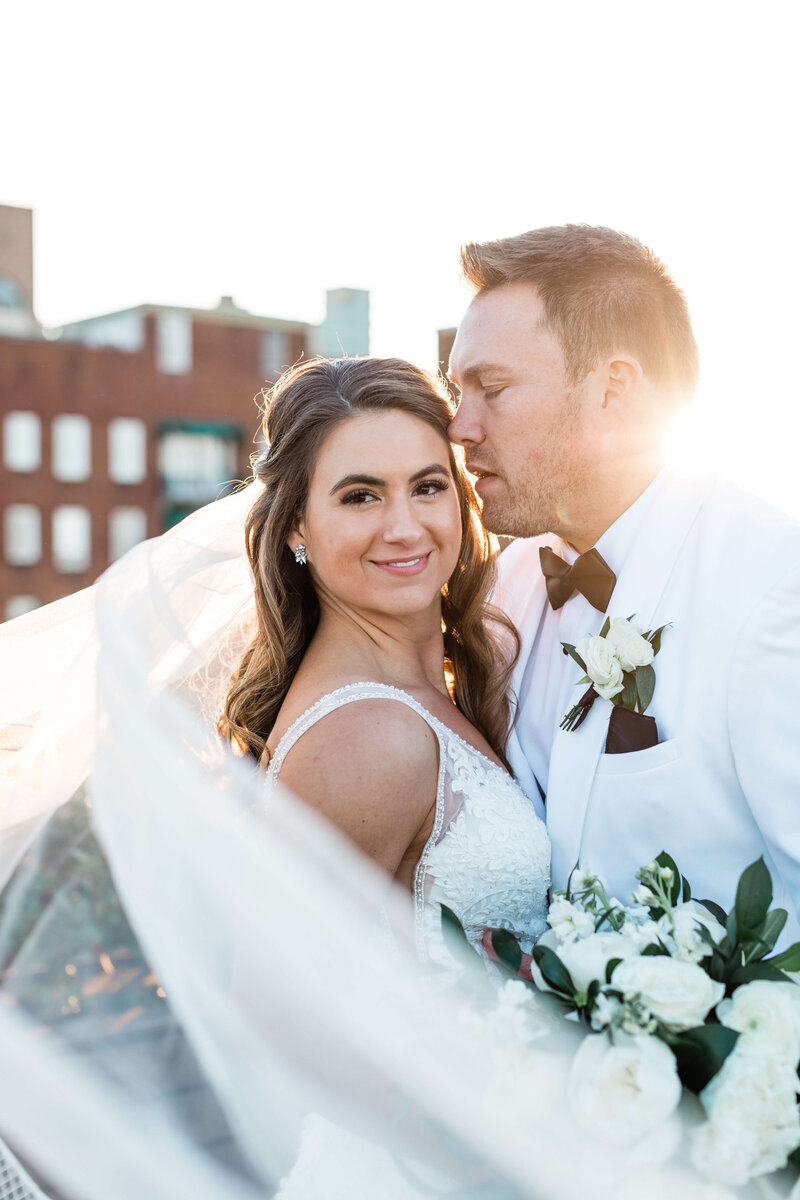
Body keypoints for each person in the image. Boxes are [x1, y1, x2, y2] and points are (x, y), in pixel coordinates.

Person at [447, 223, 800, 937]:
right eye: (459, 391)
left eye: (492, 388)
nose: (460, 426)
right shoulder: (502, 588)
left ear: (613, 389)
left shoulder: (772, 589)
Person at [218, 355, 550, 966]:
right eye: (361, 496)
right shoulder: (367, 737)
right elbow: (279, 1018)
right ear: (297, 526)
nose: (404, 528)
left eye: (428, 487)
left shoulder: (452, 686)